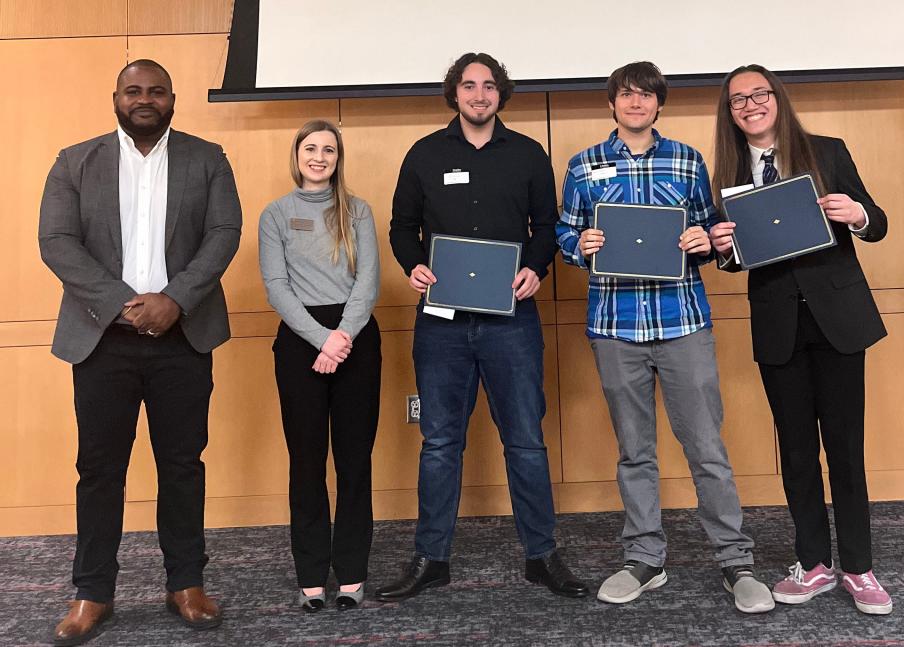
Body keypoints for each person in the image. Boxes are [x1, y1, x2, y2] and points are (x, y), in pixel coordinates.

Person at [556, 61, 774, 614]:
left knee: (706, 447)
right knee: (635, 451)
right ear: (612, 104)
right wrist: (578, 242)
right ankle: (644, 559)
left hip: (682, 323)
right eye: (626, 95)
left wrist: (704, 239)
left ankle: (735, 561)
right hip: (614, 326)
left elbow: (710, 228)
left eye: (646, 96)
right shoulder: (584, 165)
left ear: (659, 104)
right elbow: (565, 228)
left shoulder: (688, 159)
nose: (635, 103)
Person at [38, 59, 242, 645]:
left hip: (184, 337)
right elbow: (56, 241)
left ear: (174, 99)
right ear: (116, 98)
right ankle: (92, 592)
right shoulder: (75, 161)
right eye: (134, 90)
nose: (144, 98)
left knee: (183, 465)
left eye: (156, 90)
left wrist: (174, 299)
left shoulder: (208, 158)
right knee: (100, 470)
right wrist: (130, 304)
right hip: (103, 339)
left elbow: (224, 233)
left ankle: (186, 585)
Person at [378, 52, 587, 601]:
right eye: (468, 86)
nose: (478, 95)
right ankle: (431, 558)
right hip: (441, 324)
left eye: (488, 86)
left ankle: (541, 556)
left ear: (501, 94)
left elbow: (546, 225)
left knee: (525, 441)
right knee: (440, 442)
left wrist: (535, 268)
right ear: (454, 93)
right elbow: (403, 227)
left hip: (511, 320)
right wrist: (412, 265)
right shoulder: (424, 154)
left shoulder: (527, 154)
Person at [709, 64, 891, 615]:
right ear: (730, 113)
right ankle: (813, 563)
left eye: (760, 94)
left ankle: (858, 567)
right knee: (795, 450)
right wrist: (721, 246)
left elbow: (877, 221)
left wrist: (858, 215)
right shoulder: (728, 172)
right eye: (739, 99)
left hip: (837, 319)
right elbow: (737, 261)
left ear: (778, 100)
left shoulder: (827, 151)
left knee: (845, 449)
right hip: (778, 323)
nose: (751, 105)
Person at [259, 120, 381, 611]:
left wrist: (342, 338)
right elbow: (276, 287)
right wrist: (321, 341)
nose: (319, 156)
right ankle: (311, 571)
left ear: (338, 158)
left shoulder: (359, 211)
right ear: (297, 154)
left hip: (354, 341)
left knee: (354, 462)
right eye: (311, 148)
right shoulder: (276, 214)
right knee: (307, 463)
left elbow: (368, 281)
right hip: (300, 343)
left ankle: (351, 570)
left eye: (329, 149)